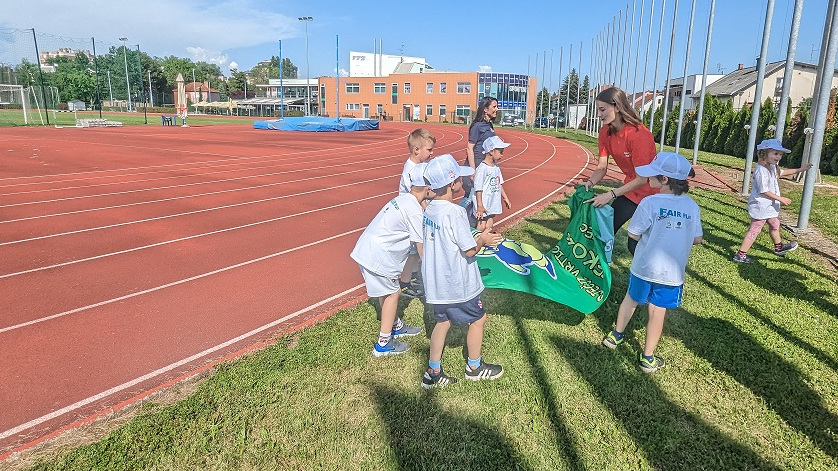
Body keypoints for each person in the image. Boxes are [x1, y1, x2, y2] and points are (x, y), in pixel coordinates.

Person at [601, 152, 703, 373]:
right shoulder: (692, 207)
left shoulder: (649, 203)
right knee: (658, 311)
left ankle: (615, 336)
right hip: (672, 273)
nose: (648, 179)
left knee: (631, 300)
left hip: (644, 267)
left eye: (653, 175)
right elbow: (697, 239)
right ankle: (648, 358)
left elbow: (634, 234)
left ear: (664, 180)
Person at [420, 154, 504, 388]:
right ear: (452, 184)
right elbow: (469, 251)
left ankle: (433, 372)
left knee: (442, 322)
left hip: (437, 284)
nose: (463, 181)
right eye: (459, 178)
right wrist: (484, 240)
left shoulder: (430, 210)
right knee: (478, 319)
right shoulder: (455, 213)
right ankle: (474, 367)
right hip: (457, 283)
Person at [350, 163, 429, 357]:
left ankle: (395, 325)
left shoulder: (404, 200)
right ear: (428, 188)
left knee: (385, 291)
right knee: (393, 293)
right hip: (378, 256)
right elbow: (420, 246)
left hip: (367, 250)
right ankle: (383, 344)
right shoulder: (414, 210)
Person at [584, 87, 657, 255]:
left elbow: (642, 179)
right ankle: (596, 271)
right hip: (632, 190)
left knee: (635, 243)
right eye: (598, 110)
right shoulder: (605, 132)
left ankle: (648, 277)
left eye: (602, 110)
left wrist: (610, 194)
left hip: (653, 193)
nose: (599, 114)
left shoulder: (639, 134)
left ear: (617, 107)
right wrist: (589, 183)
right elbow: (602, 168)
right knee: (604, 233)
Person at [732, 138, 813, 263]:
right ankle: (740, 255)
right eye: (775, 154)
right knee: (755, 229)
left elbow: (783, 172)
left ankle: (779, 247)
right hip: (761, 206)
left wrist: (801, 169)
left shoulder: (773, 167)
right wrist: (781, 199)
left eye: (780, 154)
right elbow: (764, 191)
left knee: (775, 224)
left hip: (768, 206)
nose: (779, 157)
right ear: (764, 154)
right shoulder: (761, 171)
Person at [398, 129, 436, 297]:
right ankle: (405, 283)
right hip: (411, 215)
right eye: (429, 150)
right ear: (416, 150)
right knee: (414, 250)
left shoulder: (419, 166)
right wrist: (430, 213)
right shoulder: (411, 170)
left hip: (417, 212)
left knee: (415, 251)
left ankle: (412, 276)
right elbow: (417, 197)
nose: (432, 153)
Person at [462, 96, 500, 212]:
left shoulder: (489, 125)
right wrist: (473, 170)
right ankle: (453, 217)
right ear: (485, 109)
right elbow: (469, 148)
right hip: (477, 164)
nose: (496, 109)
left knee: (478, 197)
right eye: (494, 107)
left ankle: (474, 225)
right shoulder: (477, 126)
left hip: (485, 166)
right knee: (470, 197)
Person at [473, 136, 512, 232]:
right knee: (481, 224)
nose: (502, 155)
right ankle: (478, 242)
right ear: (491, 151)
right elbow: (478, 188)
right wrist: (480, 205)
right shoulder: (482, 168)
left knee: (490, 223)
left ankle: (487, 241)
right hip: (484, 202)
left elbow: (499, 183)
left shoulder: (496, 167)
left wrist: (505, 197)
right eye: (500, 152)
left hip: (493, 201)